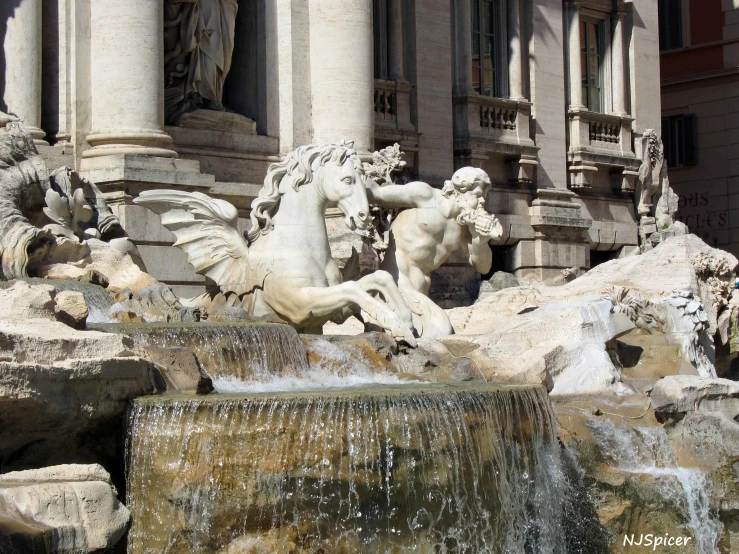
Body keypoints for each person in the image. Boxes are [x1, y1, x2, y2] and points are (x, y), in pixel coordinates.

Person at [366, 167, 503, 338]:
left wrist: (480, 240)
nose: (482, 201)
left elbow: (483, 267)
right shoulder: (426, 196)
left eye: (484, 195)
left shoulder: (464, 229)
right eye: (477, 195)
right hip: (395, 279)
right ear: (460, 189)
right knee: (441, 330)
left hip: (421, 289)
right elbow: (376, 193)